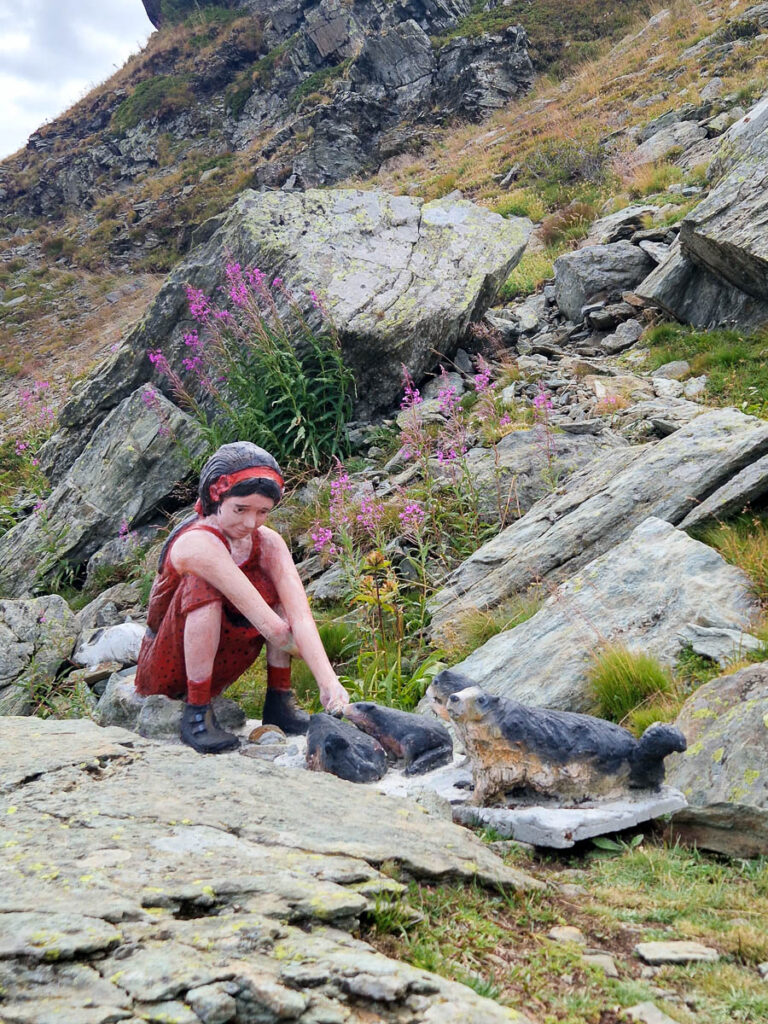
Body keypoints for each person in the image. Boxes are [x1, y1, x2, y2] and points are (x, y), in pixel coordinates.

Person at [134, 441, 349, 754]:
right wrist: (309, 658)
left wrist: (329, 684)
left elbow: (298, 614)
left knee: (277, 593)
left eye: (262, 512)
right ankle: (197, 712)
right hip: (170, 664)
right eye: (240, 509)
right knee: (202, 586)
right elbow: (271, 626)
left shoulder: (268, 543)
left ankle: (280, 701)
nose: (251, 523)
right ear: (215, 497)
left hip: (224, 654)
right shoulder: (196, 542)